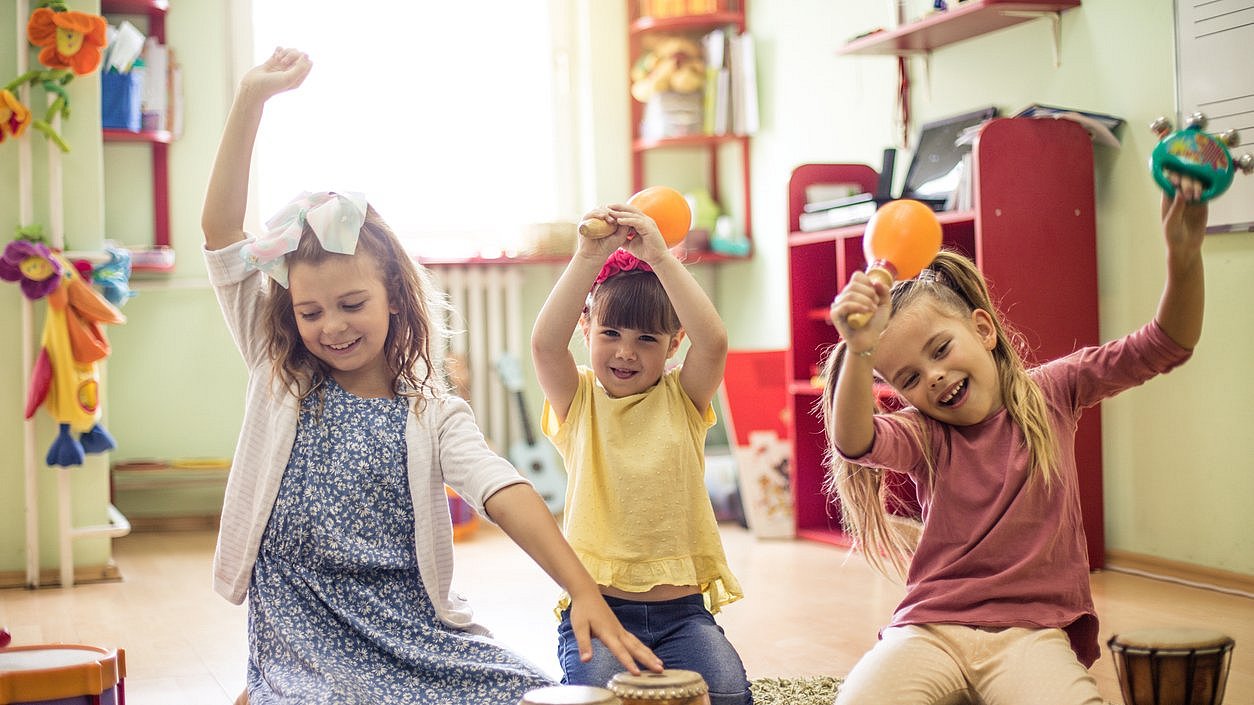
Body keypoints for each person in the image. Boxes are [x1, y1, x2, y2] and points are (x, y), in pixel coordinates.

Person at [202, 47, 661, 705]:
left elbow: (502, 489)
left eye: (351, 304)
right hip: (301, 624)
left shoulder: (430, 410)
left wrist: (583, 589)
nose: (331, 326)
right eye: (311, 311)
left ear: (393, 293)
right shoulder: (278, 369)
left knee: (524, 691)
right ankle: (267, 687)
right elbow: (220, 233)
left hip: (411, 625)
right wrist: (251, 97)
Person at [820, 177, 1209, 705]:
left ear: (982, 328)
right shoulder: (925, 433)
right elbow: (854, 441)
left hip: (1031, 633)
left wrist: (1183, 257)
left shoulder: (1056, 390)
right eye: (908, 379)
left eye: (939, 349)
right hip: (931, 627)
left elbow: (1166, 344)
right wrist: (860, 350)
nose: (931, 377)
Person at [531, 204, 753, 705]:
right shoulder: (579, 401)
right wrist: (589, 258)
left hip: (684, 615)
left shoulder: (684, 398)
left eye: (645, 339)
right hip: (600, 611)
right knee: (603, 700)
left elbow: (714, 341)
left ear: (674, 343)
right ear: (586, 329)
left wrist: (658, 254)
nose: (625, 352)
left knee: (727, 696)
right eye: (611, 334)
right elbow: (545, 345)